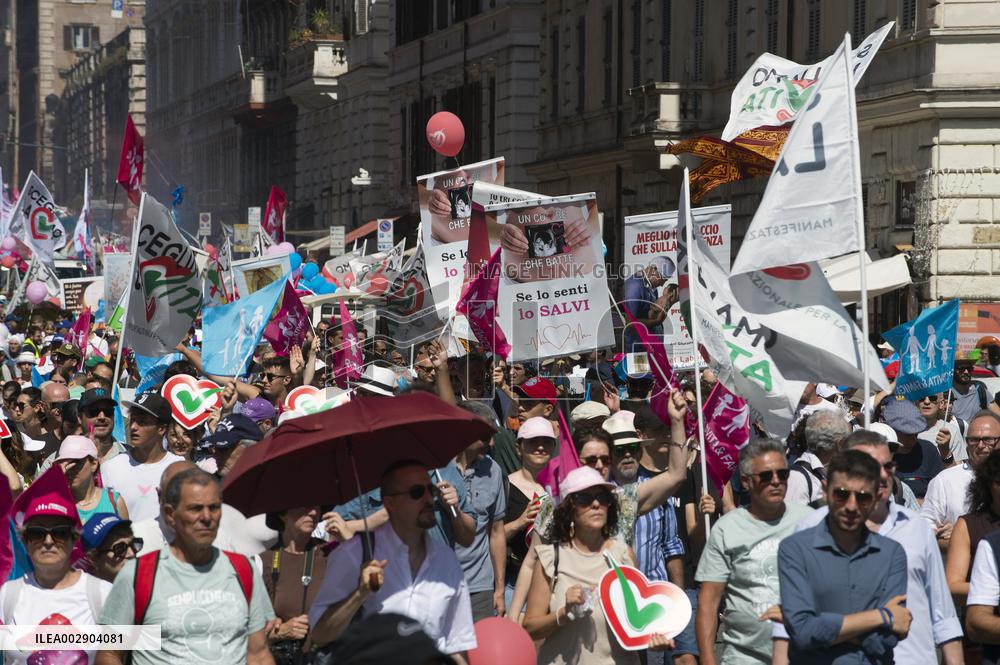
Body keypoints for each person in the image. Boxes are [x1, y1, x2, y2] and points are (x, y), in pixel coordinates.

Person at [773, 431, 963, 665]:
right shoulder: (807, 530)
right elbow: (795, 630)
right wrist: (881, 617)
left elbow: (942, 615)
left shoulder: (915, 529)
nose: (881, 475)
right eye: (869, 466)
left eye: (887, 465)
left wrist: (825, 629)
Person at [97, 468, 275, 664]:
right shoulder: (137, 574)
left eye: (214, 507)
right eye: (195, 508)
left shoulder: (243, 570)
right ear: (170, 514)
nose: (207, 517)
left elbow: (258, 653)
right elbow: (110, 653)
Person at [308, 460, 477, 656]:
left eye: (431, 490)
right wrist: (359, 594)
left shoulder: (446, 560)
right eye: (416, 493)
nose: (429, 499)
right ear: (390, 503)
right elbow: (320, 634)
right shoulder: (354, 555)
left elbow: (456, 646)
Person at [523, 466, 674, 663]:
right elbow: (530, 628)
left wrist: (654, 638)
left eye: (603, 498)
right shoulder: (551, 558)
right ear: (570, 508)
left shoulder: (623, 556)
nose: (596, 504)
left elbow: (638, 621)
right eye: (585, 499)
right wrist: (564, 614)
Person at [777, 450, 911, 663]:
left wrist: (824, 628)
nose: (851, 506)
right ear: (825, 492)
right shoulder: (795, 549)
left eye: (863, 497)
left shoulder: (892, 554)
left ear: (876, 497)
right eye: (841, 494)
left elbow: (886, 640)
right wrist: (881, 616)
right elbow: (803, 633)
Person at [695, 438, 813, 665]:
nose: (776, 481)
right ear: (747, 482)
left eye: (783, 474)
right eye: (767, 476)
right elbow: (709, 601)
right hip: (744, 657)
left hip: (802, 655)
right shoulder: (727, 529)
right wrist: (708, 659)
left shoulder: (809, 521)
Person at [0, 490, 113, 665]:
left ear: (74, 539)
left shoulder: (104, 594)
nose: (48, 541)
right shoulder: (7, 595)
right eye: (37, 533)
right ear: (25, 540)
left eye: (59, 532)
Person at [453, 401, 507, 621]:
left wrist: (500, 589)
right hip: (440, 581)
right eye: (485, 436)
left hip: (480, 586)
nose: (491, 442)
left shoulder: (493, 470)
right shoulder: (438, 469)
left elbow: (496, 532)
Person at [261, 506, 330, 665]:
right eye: (305, 506)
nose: (313, 512)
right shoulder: (261, 562)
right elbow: (244, 630)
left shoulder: (332, 554)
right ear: (282, 513)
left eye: (316, 506)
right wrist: (280, 633)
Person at [923, 411, 1000, 552]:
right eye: (974, 440)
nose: (981, 445)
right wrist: (950, 539)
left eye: (988, 439)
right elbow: (925, 531)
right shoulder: (944, 481)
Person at [100, 392, 184, 521]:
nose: (133, 427)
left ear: (161, 429)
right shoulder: (110, 468)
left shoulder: (179, 469)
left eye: (142, 422)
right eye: (133, 420)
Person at [786, 410, 851, 508]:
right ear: (840, 444)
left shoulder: (831, 473)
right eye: (848, 441)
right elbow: (793, 519)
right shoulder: (797, 477)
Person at [57, 435, 129, 523]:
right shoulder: (58, 505)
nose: (71, 469)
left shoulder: (114, 502)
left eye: (76, 463)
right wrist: (56, 478)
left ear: (94, 464)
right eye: (65, 464)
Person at [883, 395, 945, 499]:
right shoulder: (879, 454)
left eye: (915, 433)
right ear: (891, 429)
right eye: (906, 434)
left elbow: (942, 493)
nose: (911, 440)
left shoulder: (928, 450)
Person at [622, 257, 677, 353]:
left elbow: (651, 314)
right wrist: (656, 321)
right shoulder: (634, 287)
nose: (662, 284)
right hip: (638, 352)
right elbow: (630, 324)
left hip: (650, 348)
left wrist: (668, 301)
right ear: (653, 269)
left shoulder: (650, 285)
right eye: (663, 279)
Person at [82, 513, 141, 583]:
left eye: (134, 544)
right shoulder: (89, 593)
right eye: (120, 548)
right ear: (93, 558)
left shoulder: (151, 585)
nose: (132, 553)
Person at [916, 393, 967, 465]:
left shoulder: (951, 430)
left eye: (932, 398)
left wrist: (946, 451)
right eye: (922, 398)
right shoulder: (905, 430)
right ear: (915, 402)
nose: (927, 402)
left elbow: (958, 470)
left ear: (941, 404)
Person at [952, 356, 992, 423]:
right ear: (952, 370)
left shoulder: (980, 390)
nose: (966, 372)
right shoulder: (946, 392)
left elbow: (997, 414)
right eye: (961, 368)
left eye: (969, 368)